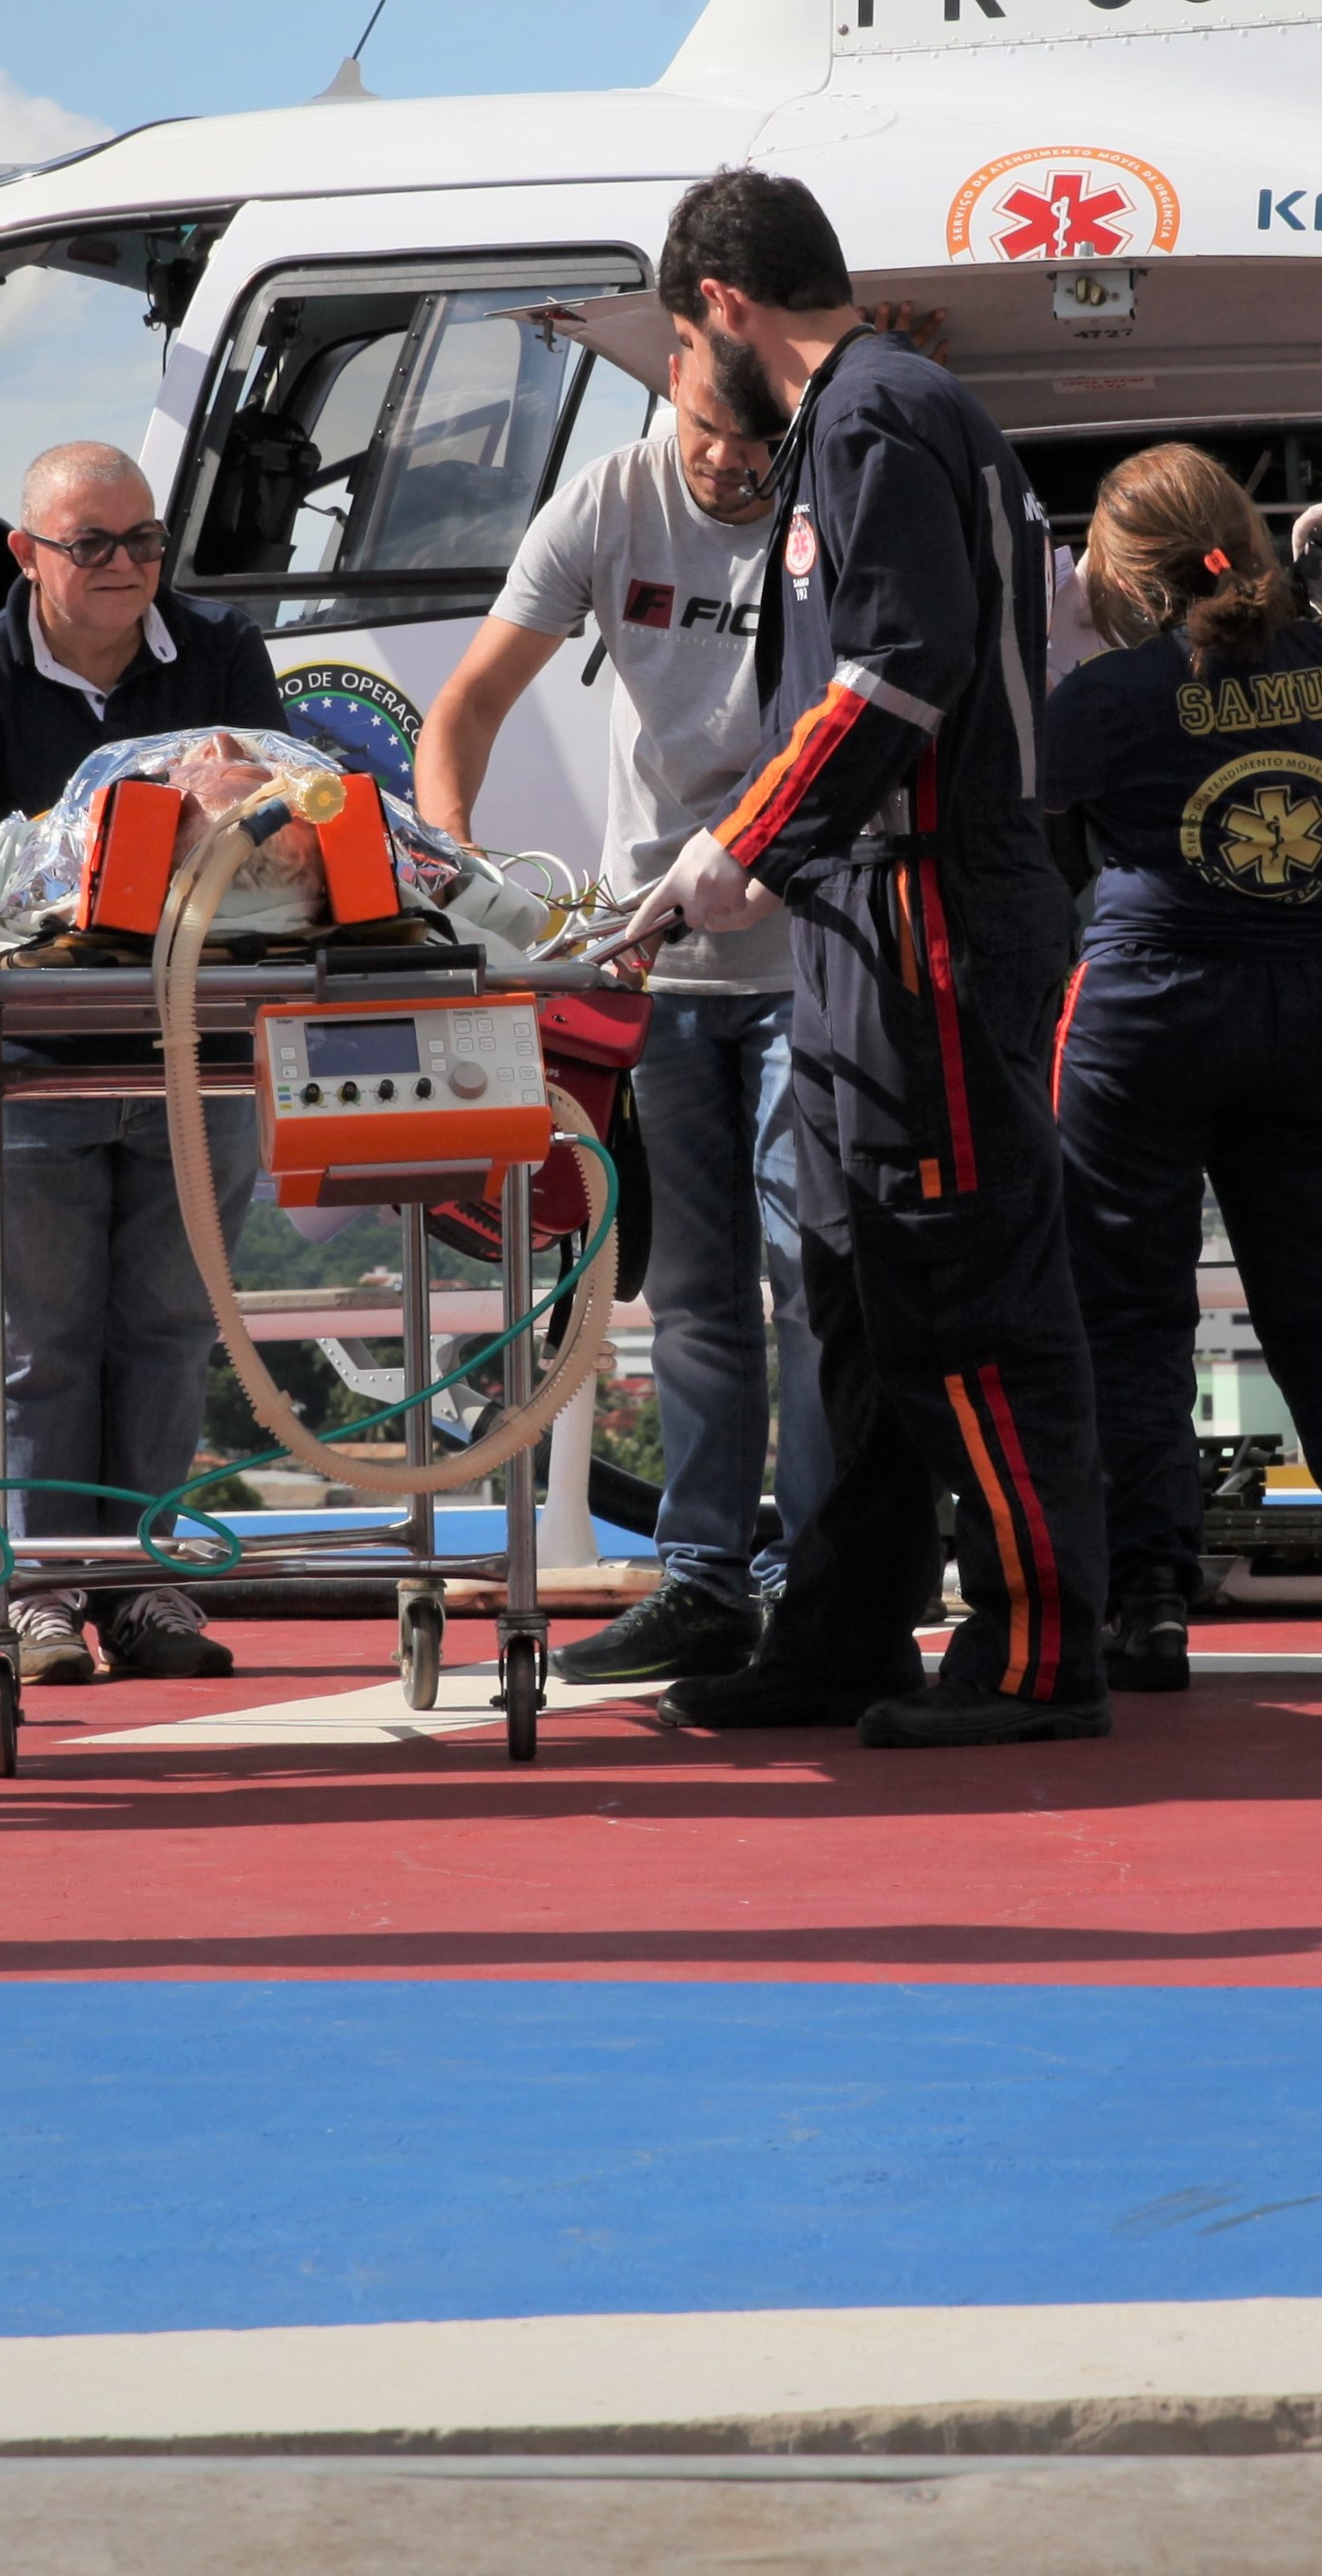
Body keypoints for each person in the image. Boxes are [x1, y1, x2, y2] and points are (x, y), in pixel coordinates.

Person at [627, 169, 1105, 1750]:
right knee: (850, 1284)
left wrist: (732, 846)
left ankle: (1038, 1646)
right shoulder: (888, 409)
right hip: (861, 917)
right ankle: (844, 1628)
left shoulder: (869, 416)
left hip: (924, 918)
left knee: (959, 1275)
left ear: (719, 310)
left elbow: (901, 671)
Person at [1043, 447, 1322, 1695]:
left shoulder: (1102, 699)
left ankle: (1146, 1600)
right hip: (1306, 1008)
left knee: (1129, 1312)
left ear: (1124, 574)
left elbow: (1010, 801)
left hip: (1146, 1016)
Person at [413, 367, 824, 1686]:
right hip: (654, 965)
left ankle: (816, 1573)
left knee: (809, 1278)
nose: (731, 466)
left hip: (811, 954)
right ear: (667, 404)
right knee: (694, 1294)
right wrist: (455, 866)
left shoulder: (836, 494)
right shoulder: (609, 499)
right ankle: (704, 1575)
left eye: (759, 445)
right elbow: (465, 704)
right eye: (707, 436)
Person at [0, 445, 287, 1684]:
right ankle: (45, 1588)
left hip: (196, 1049)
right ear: (28, 554)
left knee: (172, 1328)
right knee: (39, 1340)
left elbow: (268, 823)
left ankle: (142, 1581)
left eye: (144, 541)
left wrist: (228, 800)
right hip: (33, 1057)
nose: (127, 568)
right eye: (94, 545)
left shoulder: (221, 650)